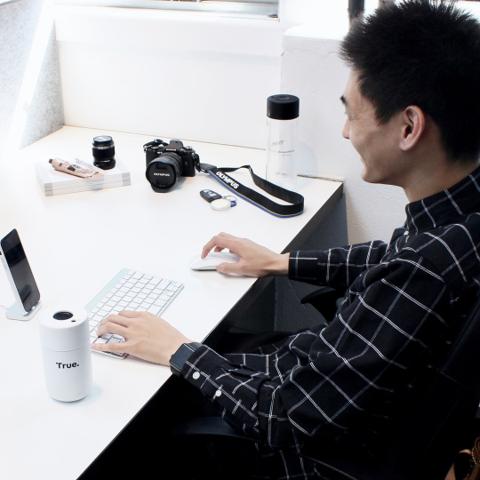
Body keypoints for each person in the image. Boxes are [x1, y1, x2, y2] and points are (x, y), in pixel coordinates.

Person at [93, 1, 480, 478]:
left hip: (315, 449)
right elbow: (391, 256)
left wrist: (178, 350)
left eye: (353, 115)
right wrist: (284, 262)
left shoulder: (423, 272)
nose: (345, 132)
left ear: (409, 127)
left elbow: (284, 416)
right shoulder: (459, 217)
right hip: (352, 401)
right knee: (211, 345)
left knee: (137, 410)